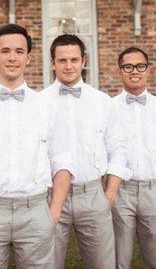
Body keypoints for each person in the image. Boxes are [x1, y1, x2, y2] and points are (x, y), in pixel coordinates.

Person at [0, 23, 74, 269]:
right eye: (5, 51)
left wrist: (54, 214)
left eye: (19, 51)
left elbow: (63, 162)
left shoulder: (47, 107)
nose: (12, 58)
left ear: (29, 57)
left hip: (36, 211)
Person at [41, 34, 122, 269]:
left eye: (74, 60)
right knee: (47, 263)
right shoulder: (39, 103)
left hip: (93, 195)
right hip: (50, 197)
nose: (68, 66)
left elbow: (118, 147)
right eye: (62, 60)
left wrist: (110, 194)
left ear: (83, 61)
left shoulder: (102, 102)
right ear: (52, 62)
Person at [110, 46, 156, 269]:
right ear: (120, 71)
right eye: (128, 66)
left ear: (148, 70)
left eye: (140, 66)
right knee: (119, 260)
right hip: (121, 192)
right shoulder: (109, 107)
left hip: (155, 190)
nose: (134, 71)